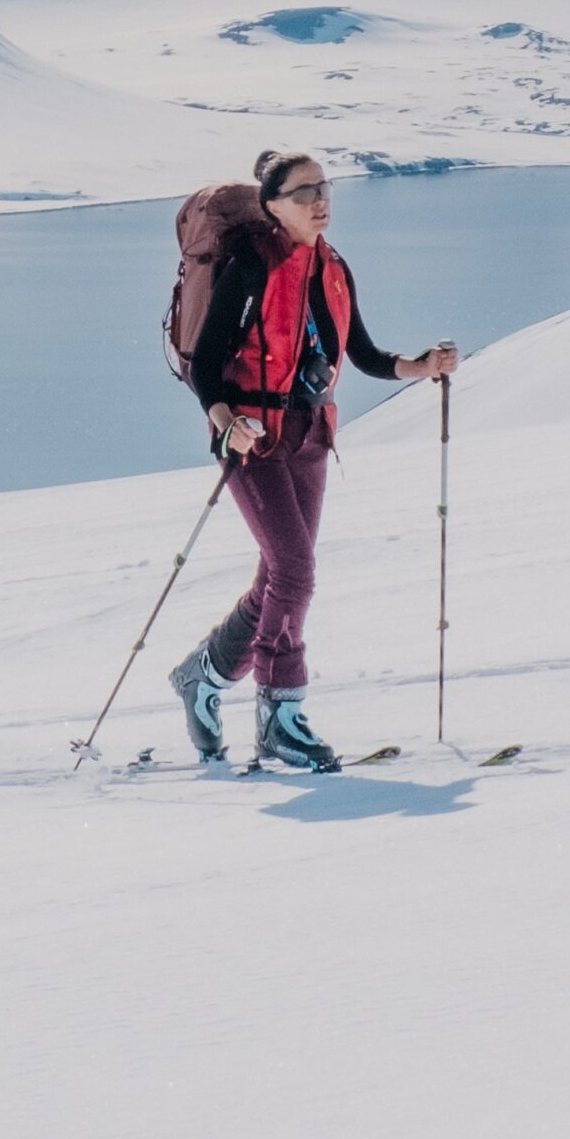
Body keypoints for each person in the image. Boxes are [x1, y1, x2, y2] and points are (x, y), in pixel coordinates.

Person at [171, 150, 458, 771]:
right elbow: (206, 363)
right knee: (295, 573)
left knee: (278, 576)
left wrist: (419, 367)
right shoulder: (249, 265)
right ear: (272, 205)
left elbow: (362, 353)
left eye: (323, 188)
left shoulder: (332, 267)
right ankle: (282, 713)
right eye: (303, 193)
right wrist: (227, 423)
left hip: (311, 435)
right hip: (254, 438)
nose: (318, 201)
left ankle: (203, 676)